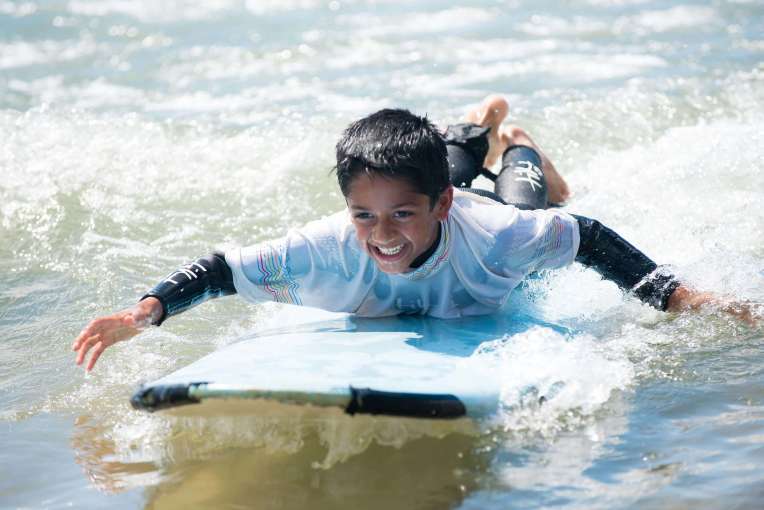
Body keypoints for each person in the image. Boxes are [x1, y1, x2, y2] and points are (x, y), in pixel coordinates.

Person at [73, 96, 759, 371]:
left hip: (487, 203)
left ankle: (515, 140)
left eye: (402, 217)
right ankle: (474, 128)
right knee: (418, 168)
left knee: (527, 188)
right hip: (438, 183)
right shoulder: (326, 243)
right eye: (362, 216)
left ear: (441, 208)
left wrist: (675, 297)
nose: (381, 236)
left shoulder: (500, 237)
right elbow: (219, 270)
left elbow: (585, 235)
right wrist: (145, 313)